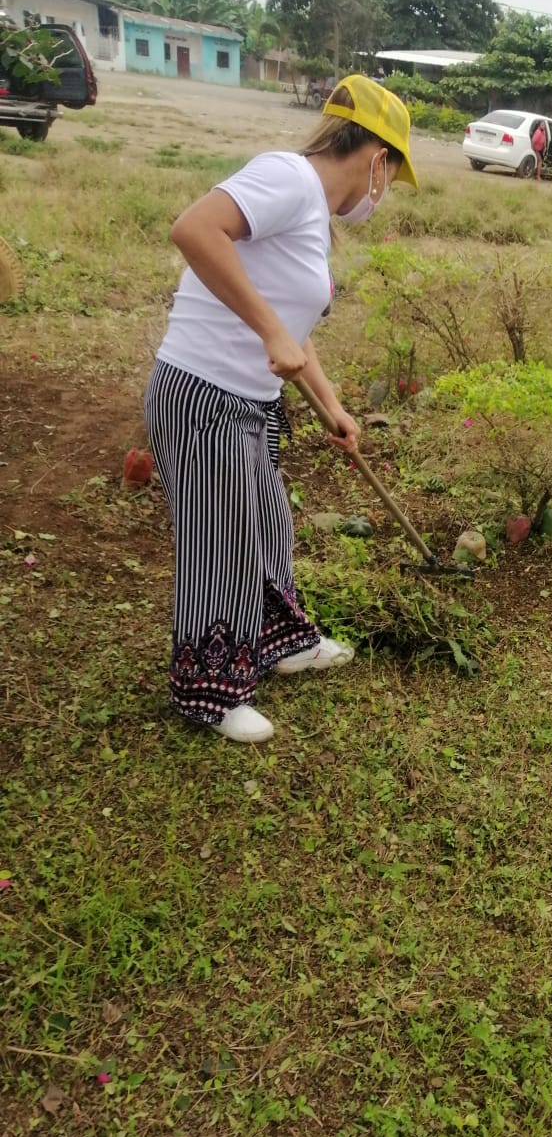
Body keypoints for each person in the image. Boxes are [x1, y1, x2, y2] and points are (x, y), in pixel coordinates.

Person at [144, 76, 418, 744]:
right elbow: (193, 229)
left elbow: (294, 329)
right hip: (202, 393)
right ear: (377, 158)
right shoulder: (288, 178)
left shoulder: (312, 215)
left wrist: (333, 406)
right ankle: (208, 691)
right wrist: (268, 331)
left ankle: (280, 643)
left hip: (251, 402)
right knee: (222, 544)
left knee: (266, 527)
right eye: (392, 176)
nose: (384, 193)